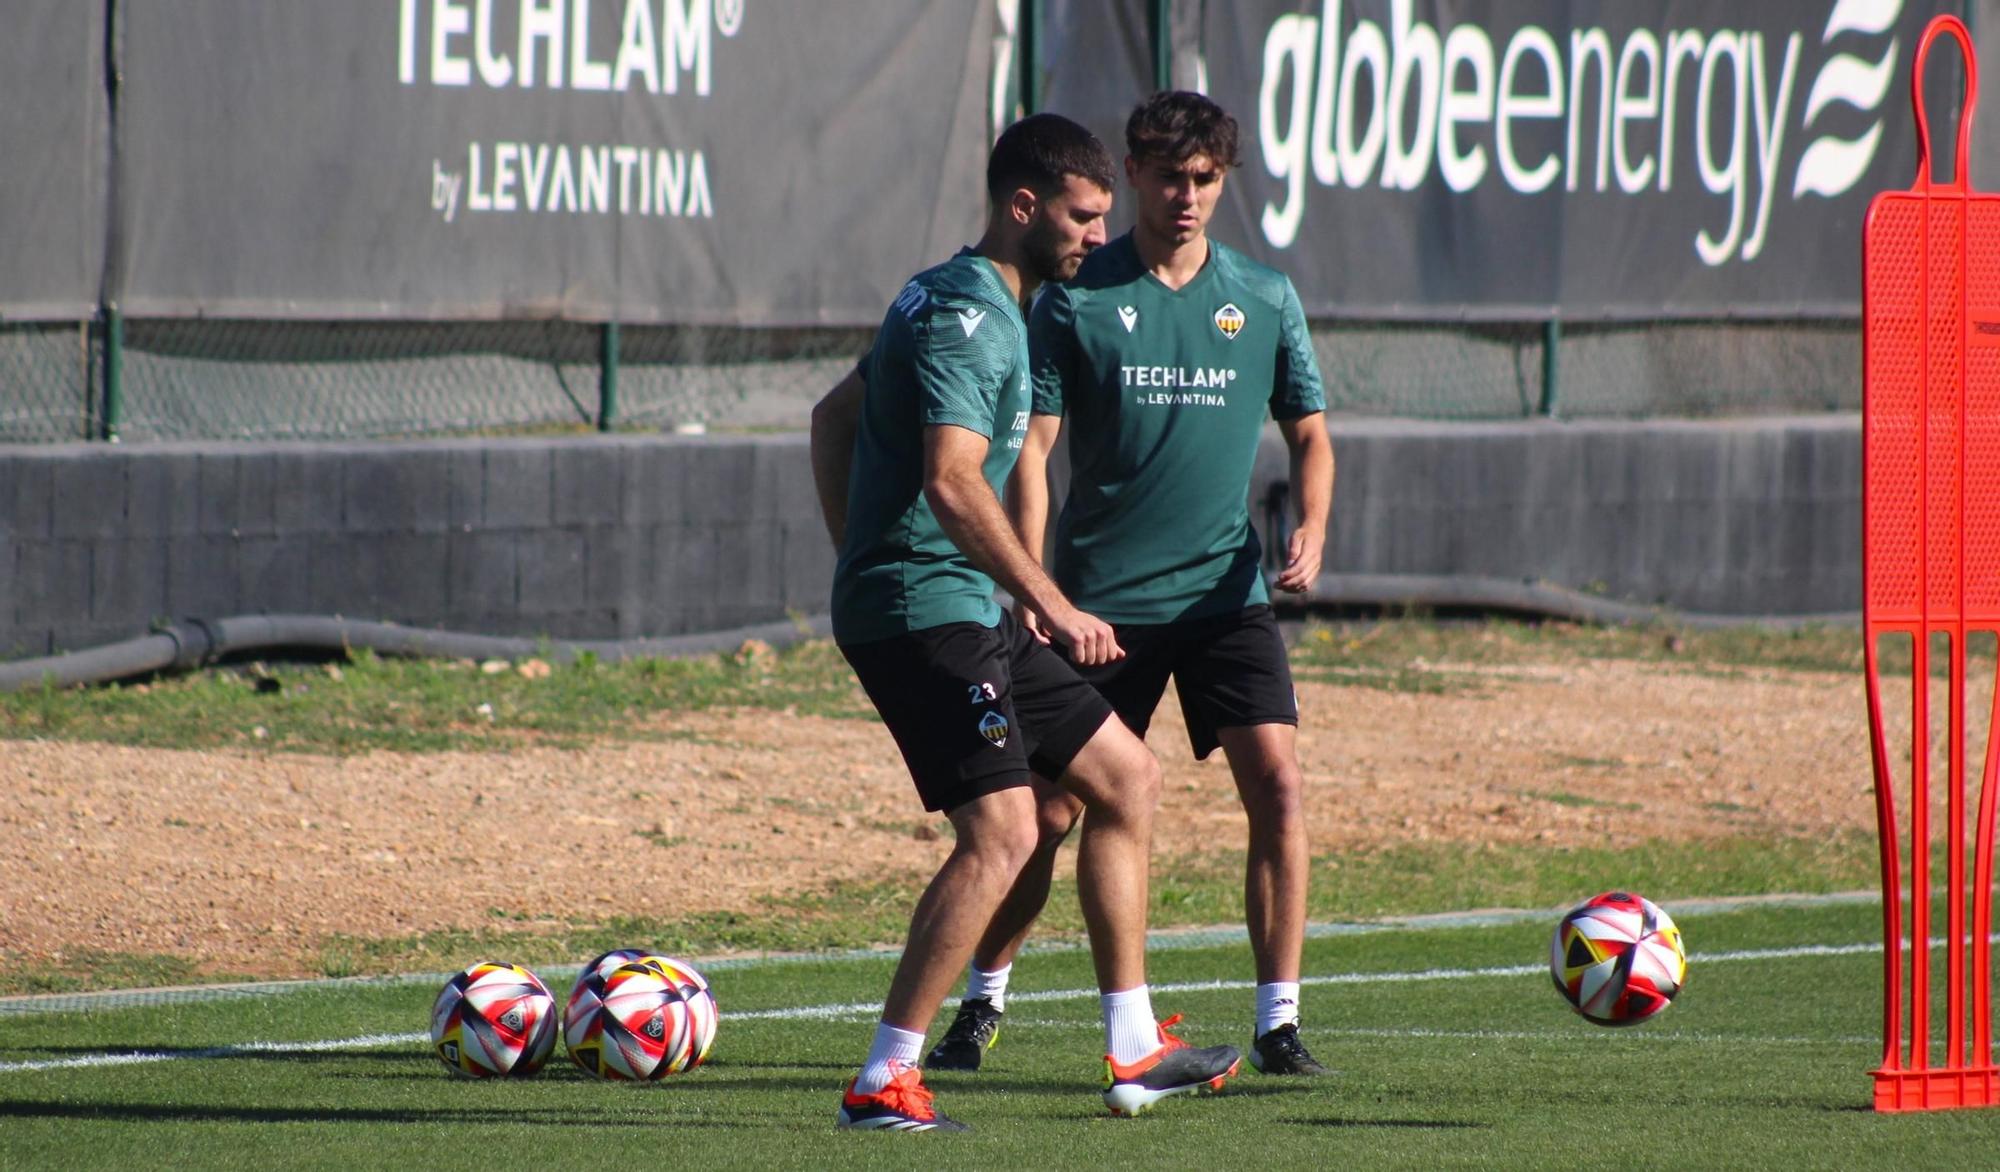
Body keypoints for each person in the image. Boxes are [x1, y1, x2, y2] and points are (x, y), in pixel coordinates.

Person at [809, 112, 1241, 1133]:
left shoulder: (976, 304)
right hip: (925, 613)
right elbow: (953, 483)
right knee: (1004, 828)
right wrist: (1040, 597)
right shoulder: (965, 314)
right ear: (1021, 207)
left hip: (957, 604)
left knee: (1125, 776)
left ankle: (1133, 1047)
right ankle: (884, 1077)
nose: (1100, 233)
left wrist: (856, 553)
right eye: (1083, 216)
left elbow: (833, 416)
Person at [925, 91, 1335, 1078]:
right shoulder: (1076, 293)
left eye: (1203, 180)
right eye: (1165, 178)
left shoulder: (1264, 296)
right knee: (1049, 811)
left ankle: (1278, 1022)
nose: (1184, 197)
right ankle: (982, 999)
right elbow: (1032, 447)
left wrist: (1312, 523)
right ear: (1136, 175)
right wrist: (1031, 579)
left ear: (1221, 182)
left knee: (1276, 786)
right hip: (1101, 600)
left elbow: (1308, 431)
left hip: (1223, 596)